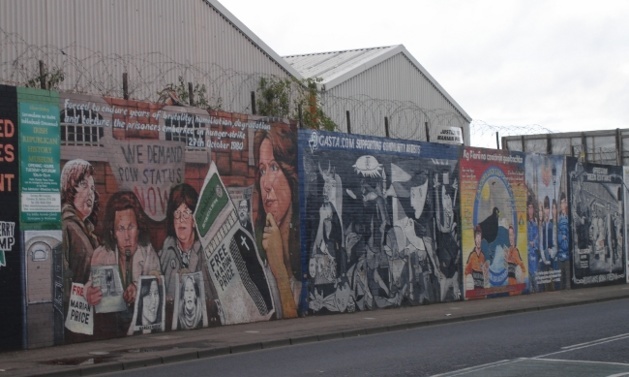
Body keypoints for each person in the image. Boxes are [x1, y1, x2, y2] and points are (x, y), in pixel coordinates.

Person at [85, 191, 160, 338]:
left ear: (138, 228)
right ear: (112, 232)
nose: (126, 237)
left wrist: (139, 288)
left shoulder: (148, 252)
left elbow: (157, 278)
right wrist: (89, 293)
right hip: (109, 330)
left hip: (141, 333)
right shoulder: (101, 255)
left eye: (131, 227)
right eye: (121, 229)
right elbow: (90, 284)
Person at [254, 127, 302, 319]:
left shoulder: (305, 253)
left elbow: (293, 316)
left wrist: (280, 271)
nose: (265, 183)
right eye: (262, 170)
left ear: (292, 175)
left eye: (274, 167)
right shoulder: (259, 253)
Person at [160, 183, 220, 327]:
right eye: (177, 214)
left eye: (186, 213)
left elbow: (217, 299)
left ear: (195, 221)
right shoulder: (165, 253)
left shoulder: (207, 252)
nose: (181, 219)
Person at [60, 159, 100, 340]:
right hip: (72, 322)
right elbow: (60, 279)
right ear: (69, 188)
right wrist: (82, 292)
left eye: (92, 188)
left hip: (88, 319)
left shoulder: (88, 231)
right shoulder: (66, 226)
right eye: (84, 185)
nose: (90, 193)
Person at [464, 225, 488, 293]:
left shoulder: (483, 256)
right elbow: (466, 274)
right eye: (477, 237)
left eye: (479, 237)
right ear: (474, 239)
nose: (478, 240)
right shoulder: (471, 256)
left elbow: (486, 276)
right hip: (473, 295)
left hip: (482, 294)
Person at [505, 225, 525, 295]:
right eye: (509, 235)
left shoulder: (516, 251)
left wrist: (520, 279)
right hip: (510, 291)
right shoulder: (508, 251)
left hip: (517, 292)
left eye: (511, 235)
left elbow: (523, 269)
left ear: (514, 235)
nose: (510, 237)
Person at [557, 192, 570, 289]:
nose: (563, 205)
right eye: (561, 203)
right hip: (560, 254)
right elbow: (557, 235)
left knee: (568, 278)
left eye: (564, 202)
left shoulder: (569, 218)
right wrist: (562, 238)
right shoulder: (558, 219)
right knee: (562, 279)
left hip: (568, 254)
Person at [527, 197, 539, 293]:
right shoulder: (525, 224)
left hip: (533, 256)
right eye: (528, 208)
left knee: (535, 279)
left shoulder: (534, 224)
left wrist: (534, 243)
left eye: (531, 208)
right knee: (529, 280)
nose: (530, 210)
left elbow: (537, 238)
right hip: (527, 255)